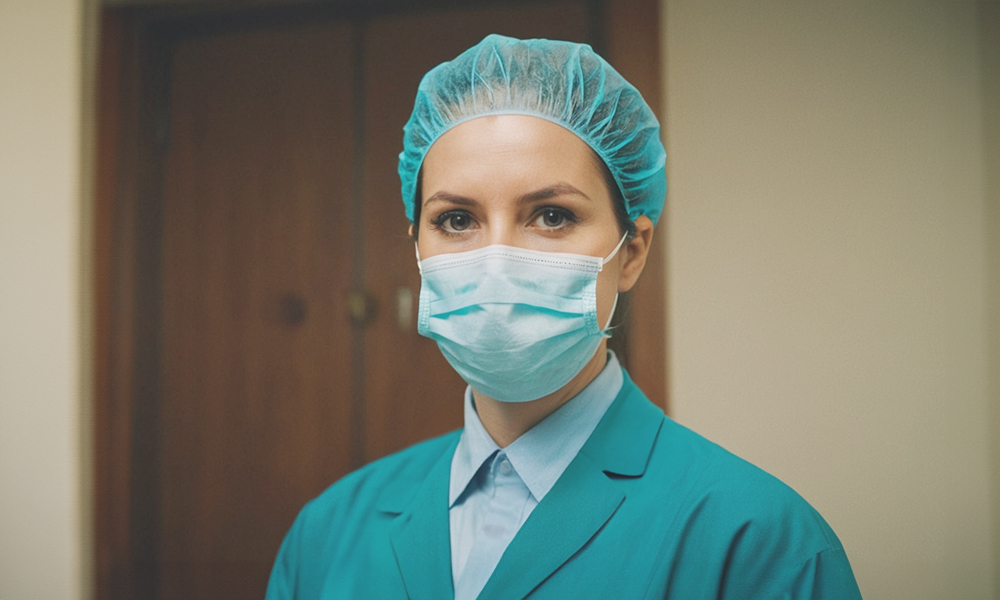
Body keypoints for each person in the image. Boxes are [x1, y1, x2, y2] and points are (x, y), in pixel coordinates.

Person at [265, 34, 862, 600]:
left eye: (551, 215)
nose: (497, 261)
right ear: (417, 246)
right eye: (456, 220)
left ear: (632, 252)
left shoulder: (758, 543)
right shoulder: (328, 534)